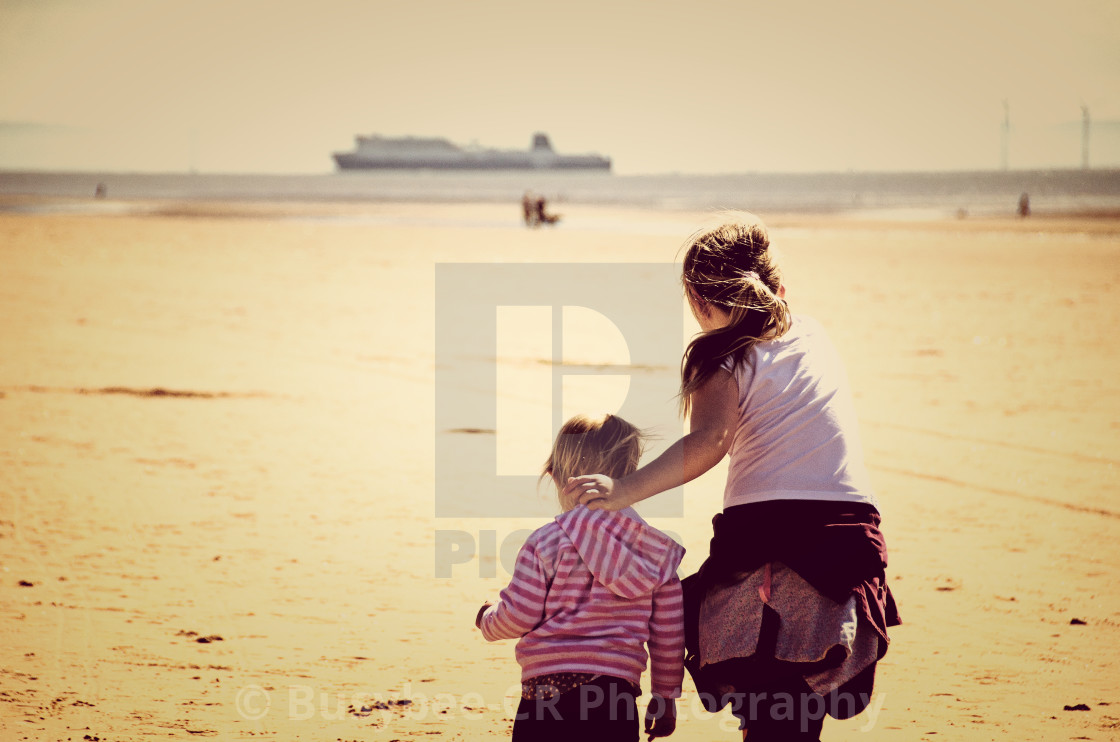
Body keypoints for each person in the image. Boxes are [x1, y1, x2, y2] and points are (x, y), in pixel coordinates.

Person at [564, 216, 900, 741]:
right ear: (776, 286)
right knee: (796, 702)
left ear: (699, 300)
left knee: (760, 678)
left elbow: (711, 442)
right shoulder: (813, 333)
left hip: (771, 531)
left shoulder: (717, 353)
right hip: (849, 532)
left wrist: (622, 491)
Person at [476, 413, 685, 741]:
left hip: (547, 693)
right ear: (631, 475)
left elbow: (519, 615)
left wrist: (487, 619)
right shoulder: (656, 553)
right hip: (615, 696)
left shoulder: (545, 542)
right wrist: (665, 697)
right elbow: (669, 633)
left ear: (558, 478)